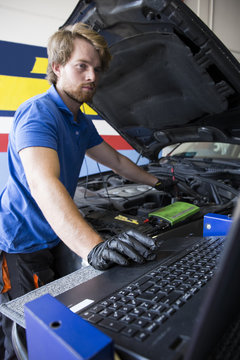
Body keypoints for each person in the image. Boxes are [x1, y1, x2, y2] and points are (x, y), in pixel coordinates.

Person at [0, 22, 173, 359]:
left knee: (56, 318)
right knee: (25, 334)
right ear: (57, 67)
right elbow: (43, 182)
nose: (91, 76)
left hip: (54, 233)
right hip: (23, 241)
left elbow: (118, 163)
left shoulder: (79, 120)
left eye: (95, 68)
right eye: (82, 66)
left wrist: (159, 183)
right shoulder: (39, 114)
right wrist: (94, 247)